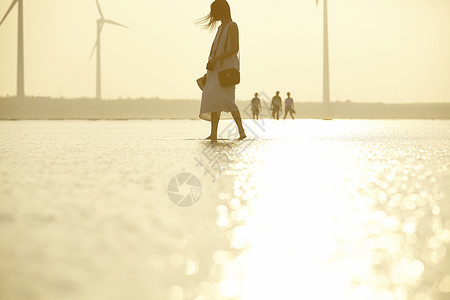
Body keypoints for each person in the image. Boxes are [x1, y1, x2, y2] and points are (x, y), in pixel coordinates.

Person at [198, 0, 246, 140]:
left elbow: (234, 48)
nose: (213, 15)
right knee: (214, 101)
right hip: (215, 70)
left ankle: (242, 132)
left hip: (226, 70)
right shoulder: (220, 28)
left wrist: (216, 59)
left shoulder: (232, 25)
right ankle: (213, 134)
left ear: (222, 11)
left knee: (228, 101)